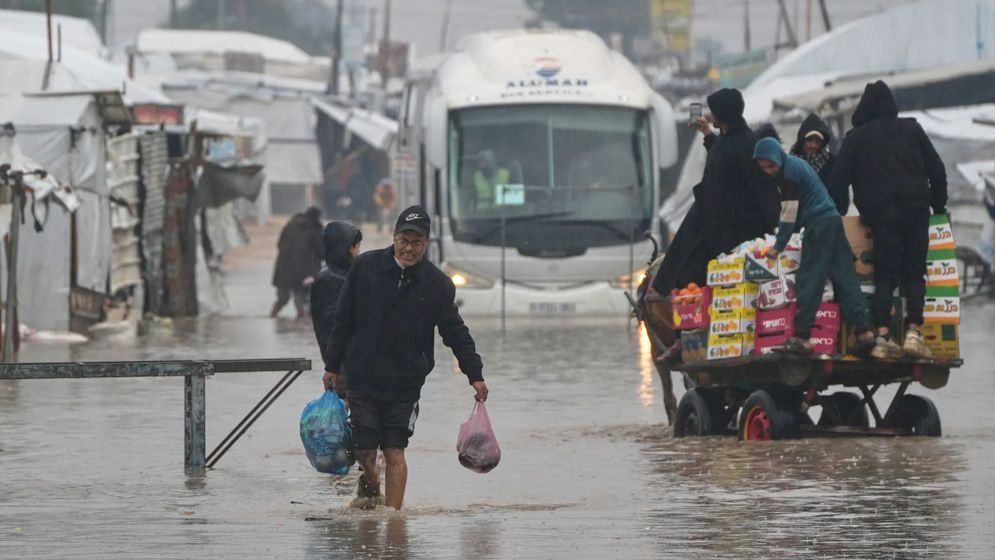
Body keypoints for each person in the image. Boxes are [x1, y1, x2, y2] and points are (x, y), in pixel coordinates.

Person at [322, 205, 488, 511]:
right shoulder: (365, 268)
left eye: (416, 243)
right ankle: (371, 489)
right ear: (394, 237)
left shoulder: (437, 284)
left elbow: (455, 332)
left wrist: (474, 374)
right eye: (403, 240)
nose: (408, 248)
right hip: (363, 377)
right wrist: (332, 366)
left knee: (395, 450)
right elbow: (342, 320)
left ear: (426, 244)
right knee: (364, 450)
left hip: (405, 384)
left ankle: (393, 521)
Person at [828, 80, 948, 358]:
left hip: (882, 215)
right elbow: (937, 170)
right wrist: (938, 205)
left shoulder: (856, 138)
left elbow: (837, 181)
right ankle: (914, 332)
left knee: (886, 273)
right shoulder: (912, 129)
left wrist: (841, 212)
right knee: (915, 272)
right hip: (917, 210)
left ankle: (882, 335)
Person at [652, 87, 781, 301]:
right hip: (710, 219)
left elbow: (763, 190)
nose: (710, 116)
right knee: (682, 261)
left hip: (731, 229)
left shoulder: (747, 144)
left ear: (723, 114)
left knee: (695, 268)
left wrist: (778, 232)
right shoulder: (729, 137)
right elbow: (722, 157)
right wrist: (707, 134)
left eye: (713, 112)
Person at [753, 137, 878, 356]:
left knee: (810, 277)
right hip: (832, 220)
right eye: (764, 168)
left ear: (777, 159)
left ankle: (802, 336)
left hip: (819, 224)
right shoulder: (793, 164)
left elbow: (789, 213)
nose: (769, 171)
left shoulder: (788, 173)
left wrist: (778, 246)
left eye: (771, 166)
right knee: (845, 276)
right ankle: (864, 331)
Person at [311, 221, 362, 399]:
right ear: (346, 248)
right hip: (343, 367)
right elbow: (332, 325)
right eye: (356, 247)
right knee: (349, 418)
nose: (358, 252)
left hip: (356, 366)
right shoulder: (329, 280)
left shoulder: (348, 276)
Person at [271, 206, 323, 319]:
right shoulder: (315, 229)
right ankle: (301, 325)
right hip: (303, 270)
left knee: (282, 298)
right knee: (300, 298)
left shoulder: (291, 224)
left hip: (283, 267)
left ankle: (272, 316)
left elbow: (279, 244)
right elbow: (321, 252)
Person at [790, 113, 840, 211]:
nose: (813, 145)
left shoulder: (831, 163)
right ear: (801, 140)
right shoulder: (791, 163)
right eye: (809, 139)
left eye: (818, 141)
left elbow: (839, 197)